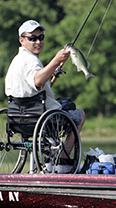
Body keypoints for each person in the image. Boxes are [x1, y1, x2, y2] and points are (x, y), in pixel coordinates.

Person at [5, 19, 85, 172]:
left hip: (18, 116)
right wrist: (55, 61)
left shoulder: (17, 60)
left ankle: (54, 157)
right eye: (32, 38)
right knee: (79, 114)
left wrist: (51, 74)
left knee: (65, 105)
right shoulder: (31, 60)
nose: (38, 42)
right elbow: (37, 81)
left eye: (41, 37)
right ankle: (62, 158)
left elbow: (34, 89)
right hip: (39, 116)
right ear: (22, 40)